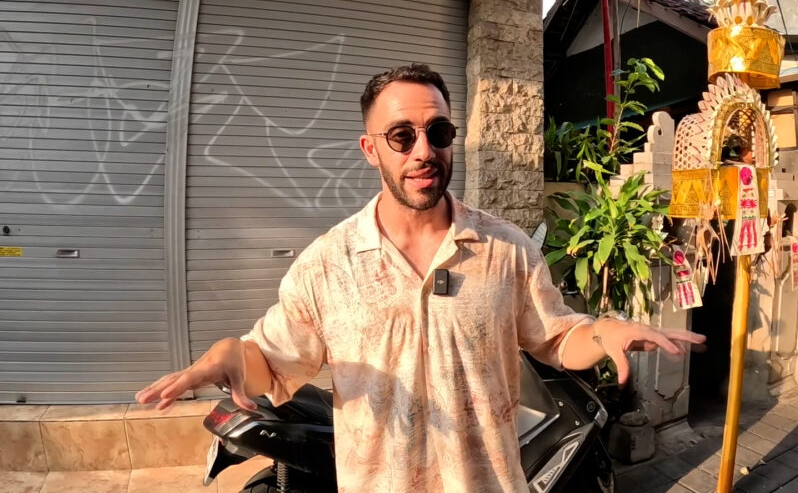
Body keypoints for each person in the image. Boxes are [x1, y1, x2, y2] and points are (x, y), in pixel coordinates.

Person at [136, 64, 706, 492]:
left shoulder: (505, 248)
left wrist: (603, 331)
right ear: (370, 149)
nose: (424, 151)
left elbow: (557, 337)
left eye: (438, 131)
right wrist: (233, 355)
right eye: (402, 136)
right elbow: (273, 363)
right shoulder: (328, 263)